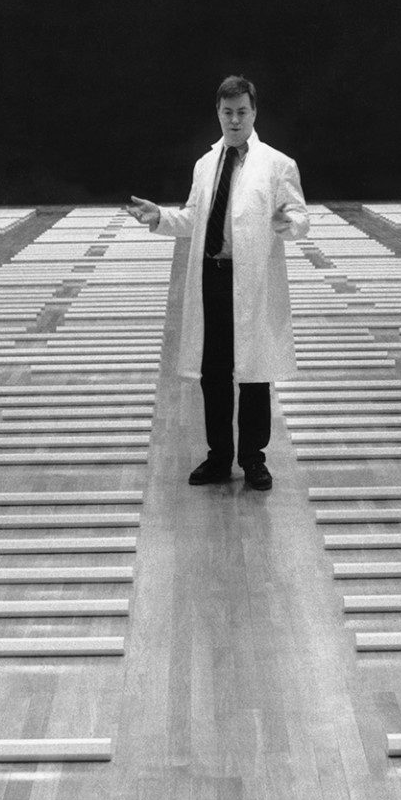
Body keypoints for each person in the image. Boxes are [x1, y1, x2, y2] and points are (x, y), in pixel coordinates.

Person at [126, 75, 309, 491]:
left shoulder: (278, 165)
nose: (234, 120)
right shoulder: (206, 164)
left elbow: (301, 217)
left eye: (242, 112)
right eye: (227, 112)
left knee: (255, 371)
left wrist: (287, 224)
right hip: (213, 276)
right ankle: (219, 456)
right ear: (218, 113)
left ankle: (254, 459)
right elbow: (194, 217)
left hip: (253, 280)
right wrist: (160, 218)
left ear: (254, 112)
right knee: (214, 371)